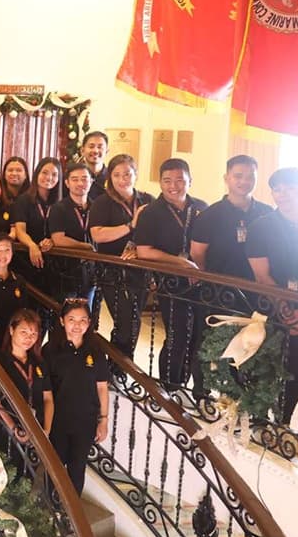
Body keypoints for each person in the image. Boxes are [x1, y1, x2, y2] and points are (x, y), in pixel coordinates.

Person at [135, 158, 208, 390]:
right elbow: (144, 251)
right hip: (171, 283)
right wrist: (182, 263)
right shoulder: (151, 212)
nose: (173, 186)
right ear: (160, 182)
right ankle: (169, 387)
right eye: (167, 181)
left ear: (190, 181)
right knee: (178, 336)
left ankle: (191, 387)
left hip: (201, 282)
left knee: (198, 336)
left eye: (179, 180)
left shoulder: (202, 208)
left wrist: (198, 267)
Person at [88, 154, 154, 360]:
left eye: (127, 174)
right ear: (110, 178)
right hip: (112, 271)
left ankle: (120, 367)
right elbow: (98, 234)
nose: (123, 179)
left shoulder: (147, 200)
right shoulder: (102, 202)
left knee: (134, 322)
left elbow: (156, 232)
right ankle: (119, 366)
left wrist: (138, 249)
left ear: (135, 174)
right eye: (117, 175)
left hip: (140, 269)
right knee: (126, 321)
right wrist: (129, 226)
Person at [42, 298, 110, 495]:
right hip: (58, 420)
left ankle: (72, 517)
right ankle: (51, 510)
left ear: (89, 323)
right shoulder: (50, 350)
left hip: (85, 421)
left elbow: (102, 388)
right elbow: (44, 391)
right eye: (71, 319)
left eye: (83, 320)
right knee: (54, 468)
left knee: (77, 468)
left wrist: (103, 420)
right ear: (62, 321)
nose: (77, 325)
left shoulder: (95, 351)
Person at [247, 167, 298, 420]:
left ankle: (284, 422)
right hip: (274, 308)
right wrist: (288, 313)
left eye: (289, 187)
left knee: (295, 370)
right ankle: (261, 421)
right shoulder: (262, 226)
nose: (283, 194)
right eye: (277, 189)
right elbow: (262, 276)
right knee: (269, 366)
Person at [191, 155, 273, 281]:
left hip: (259, 288)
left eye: (250, 177)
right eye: (238, 176)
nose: (244, 182)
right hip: (221, 289)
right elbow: (197, 254)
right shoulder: (210, 215)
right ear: (226, 178)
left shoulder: (267, 213)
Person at [0, 309, 47, 439]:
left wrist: (46, 430)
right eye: (24, 332)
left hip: (37, 429)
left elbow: (48, 398)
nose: (29, 338)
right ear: (12, 330)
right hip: (9, 430)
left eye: (34, 333)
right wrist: (14, 429)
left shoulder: (39, 362)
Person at [49, 163, 96, 301]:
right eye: (75, 179)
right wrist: (85, 247)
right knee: (66, 314)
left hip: (91, 273)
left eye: (84, 179)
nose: (80, 183)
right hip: (66, 273)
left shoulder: (97, 207)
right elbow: (58, 239)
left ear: (91, 181)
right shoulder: (59, 208)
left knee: (87, 314)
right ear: (67, 183)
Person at [11, 157, 61, 282]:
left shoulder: (60, 203)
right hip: (27, 259)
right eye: (45, 172)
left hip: (53, 263)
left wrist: (52, 241)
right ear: (36, 173)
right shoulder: (24, 200)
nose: (49, 178)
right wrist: (32, 245)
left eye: (54, 174)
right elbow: (20, 230)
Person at [0, 233, 28, 351]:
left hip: (11, 339)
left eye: (7, 250)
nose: (2, 254)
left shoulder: (19, 281)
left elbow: (24, 312)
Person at [79, 131, 109, 201]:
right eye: (91, 146)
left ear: (107, 151)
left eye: (100, 147)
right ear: (82, 150)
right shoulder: (73, 175)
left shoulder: (112, 176)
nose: (95, 151)